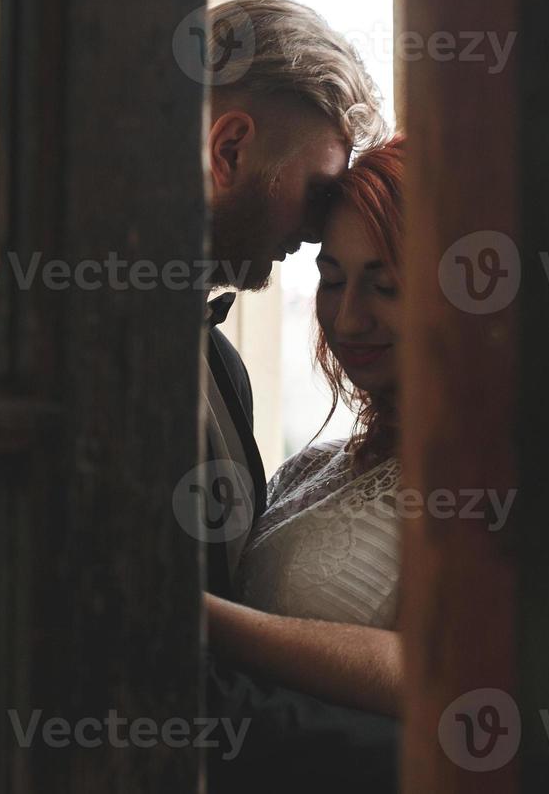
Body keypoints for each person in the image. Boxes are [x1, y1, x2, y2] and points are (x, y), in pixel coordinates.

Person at [0, 0, 399, 793]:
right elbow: (107, 665)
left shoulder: (221, 365)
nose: (313, 236)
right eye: (313, 194)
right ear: (229, 149)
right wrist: (405, 759)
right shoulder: (35, 338)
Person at [206, 136, 405, 720]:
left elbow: (449, 673)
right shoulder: (318, 464)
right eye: (334, 279)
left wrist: (183, 612)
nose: (348, 319)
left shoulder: (497, 472)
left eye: (385, 284)